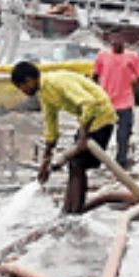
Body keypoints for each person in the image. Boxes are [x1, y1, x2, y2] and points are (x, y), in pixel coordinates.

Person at [12, 61, 117, 214]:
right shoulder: (45, 93)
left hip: (102, 118)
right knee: (73, 165)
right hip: (89, 122)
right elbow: (51, 125)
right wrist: (46, 161)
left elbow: (89, 103)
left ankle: (75, 212)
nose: (23, 91)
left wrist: (83, 137)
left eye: (21, 87)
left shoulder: (57, 82)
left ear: (29, 80)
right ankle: (69, 210)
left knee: (78, 164)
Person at [92, 32, 139, 168]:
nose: (116, 41)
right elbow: (94, 78)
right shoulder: (102, 56)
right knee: (100, 136)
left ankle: (121, 163)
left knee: (123, 136)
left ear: (124, 40)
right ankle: (96, 163)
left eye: (119, 38)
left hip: (125, 104)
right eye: (114, 38)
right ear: (110, 40)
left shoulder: (132, 57)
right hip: (105, 104)